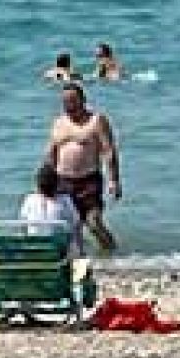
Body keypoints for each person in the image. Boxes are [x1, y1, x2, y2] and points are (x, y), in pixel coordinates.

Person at [45, 83, 122, 252]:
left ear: (83, 100)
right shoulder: (58, 123)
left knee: (94, 223)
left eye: (72, 101)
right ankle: (79, 259)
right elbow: (51, 155)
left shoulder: (96, 121)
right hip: (62, 182)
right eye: (65, 101)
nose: (68, 105)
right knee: (70, 227)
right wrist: (44, 184)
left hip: (88, 181)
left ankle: (114, 255)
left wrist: (114, 181)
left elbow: (109, 151)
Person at [19, 161, 83, 255]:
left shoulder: (29, 199)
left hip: (34, 250)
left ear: (38, 185)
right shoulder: (64, 200)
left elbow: (23, 226)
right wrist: (80, 251)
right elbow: (76, 225)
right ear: (57, 184)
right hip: (57, 252)